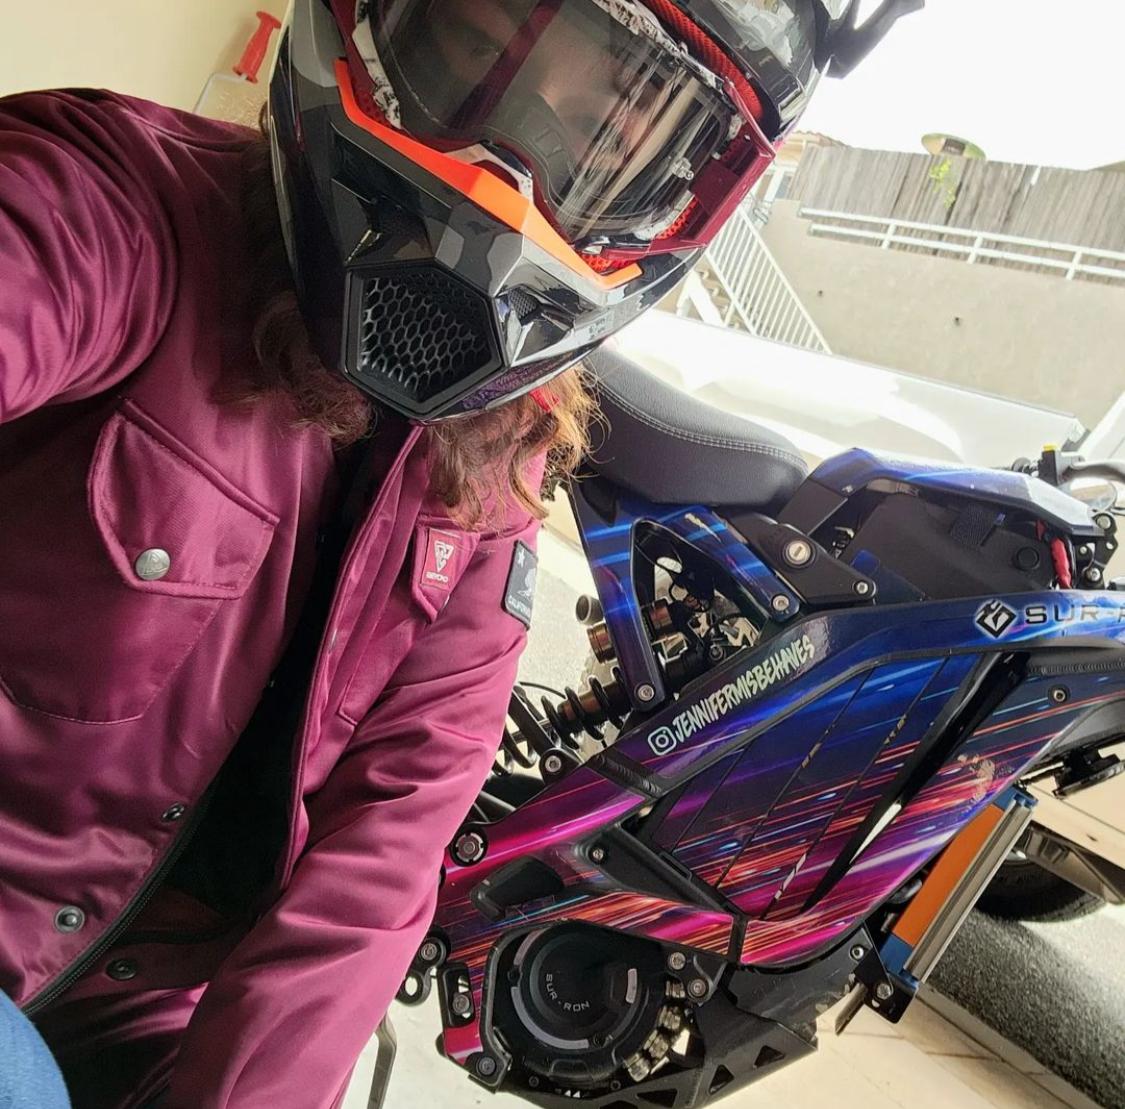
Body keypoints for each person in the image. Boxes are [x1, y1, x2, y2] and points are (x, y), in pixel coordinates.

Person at [0, 1, 919, 1106]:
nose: (506, 174)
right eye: (480, 51)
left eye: (600, 132)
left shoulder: (494, 473)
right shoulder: (114, 202)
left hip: (130, 1012)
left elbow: (376, 868)